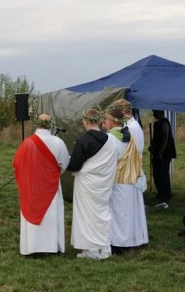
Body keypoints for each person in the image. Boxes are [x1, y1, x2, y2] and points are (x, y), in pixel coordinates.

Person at [13, 113, 70, 257]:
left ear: (36, 124)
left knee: (32, 217)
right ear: (50, 125)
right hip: (50, 185)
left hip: (31, 186)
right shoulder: (58, 142)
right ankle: (52, 248)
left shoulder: (27, 142)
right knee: (52, 216)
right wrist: (53, 175)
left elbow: (17, 163)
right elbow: (64, 163)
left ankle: (31, 248)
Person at [66, 108, 118, 260]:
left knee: (87, 215)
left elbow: (75, 165)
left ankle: (91, 251)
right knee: (103, 214)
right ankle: (105, 248)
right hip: (104, 183)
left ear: (86, 121)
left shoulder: (83, 141)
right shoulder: (110, 140)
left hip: (87, 184)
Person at [102, 106, 148, 255]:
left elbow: (107, 161)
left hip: (117, 180)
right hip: (131, 179)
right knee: (128, 213)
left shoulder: (110, 138)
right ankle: (129, 241)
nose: (105, 123)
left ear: (111, 121)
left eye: (106, 120)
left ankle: (118, 244)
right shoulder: (129, 137)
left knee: (117, 214)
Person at [149, 110, 177, 204]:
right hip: (157, 153)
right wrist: (152, 147)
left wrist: (161, 151)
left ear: (160, 113)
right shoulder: (157, 124)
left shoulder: (164, 123)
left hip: (164, 154)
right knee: (157, 174)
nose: (154, 115)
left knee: (163, 174)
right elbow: (156, 138)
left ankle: (166, 195)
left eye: (155, 113)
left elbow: (165, 138)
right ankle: (160, 193)